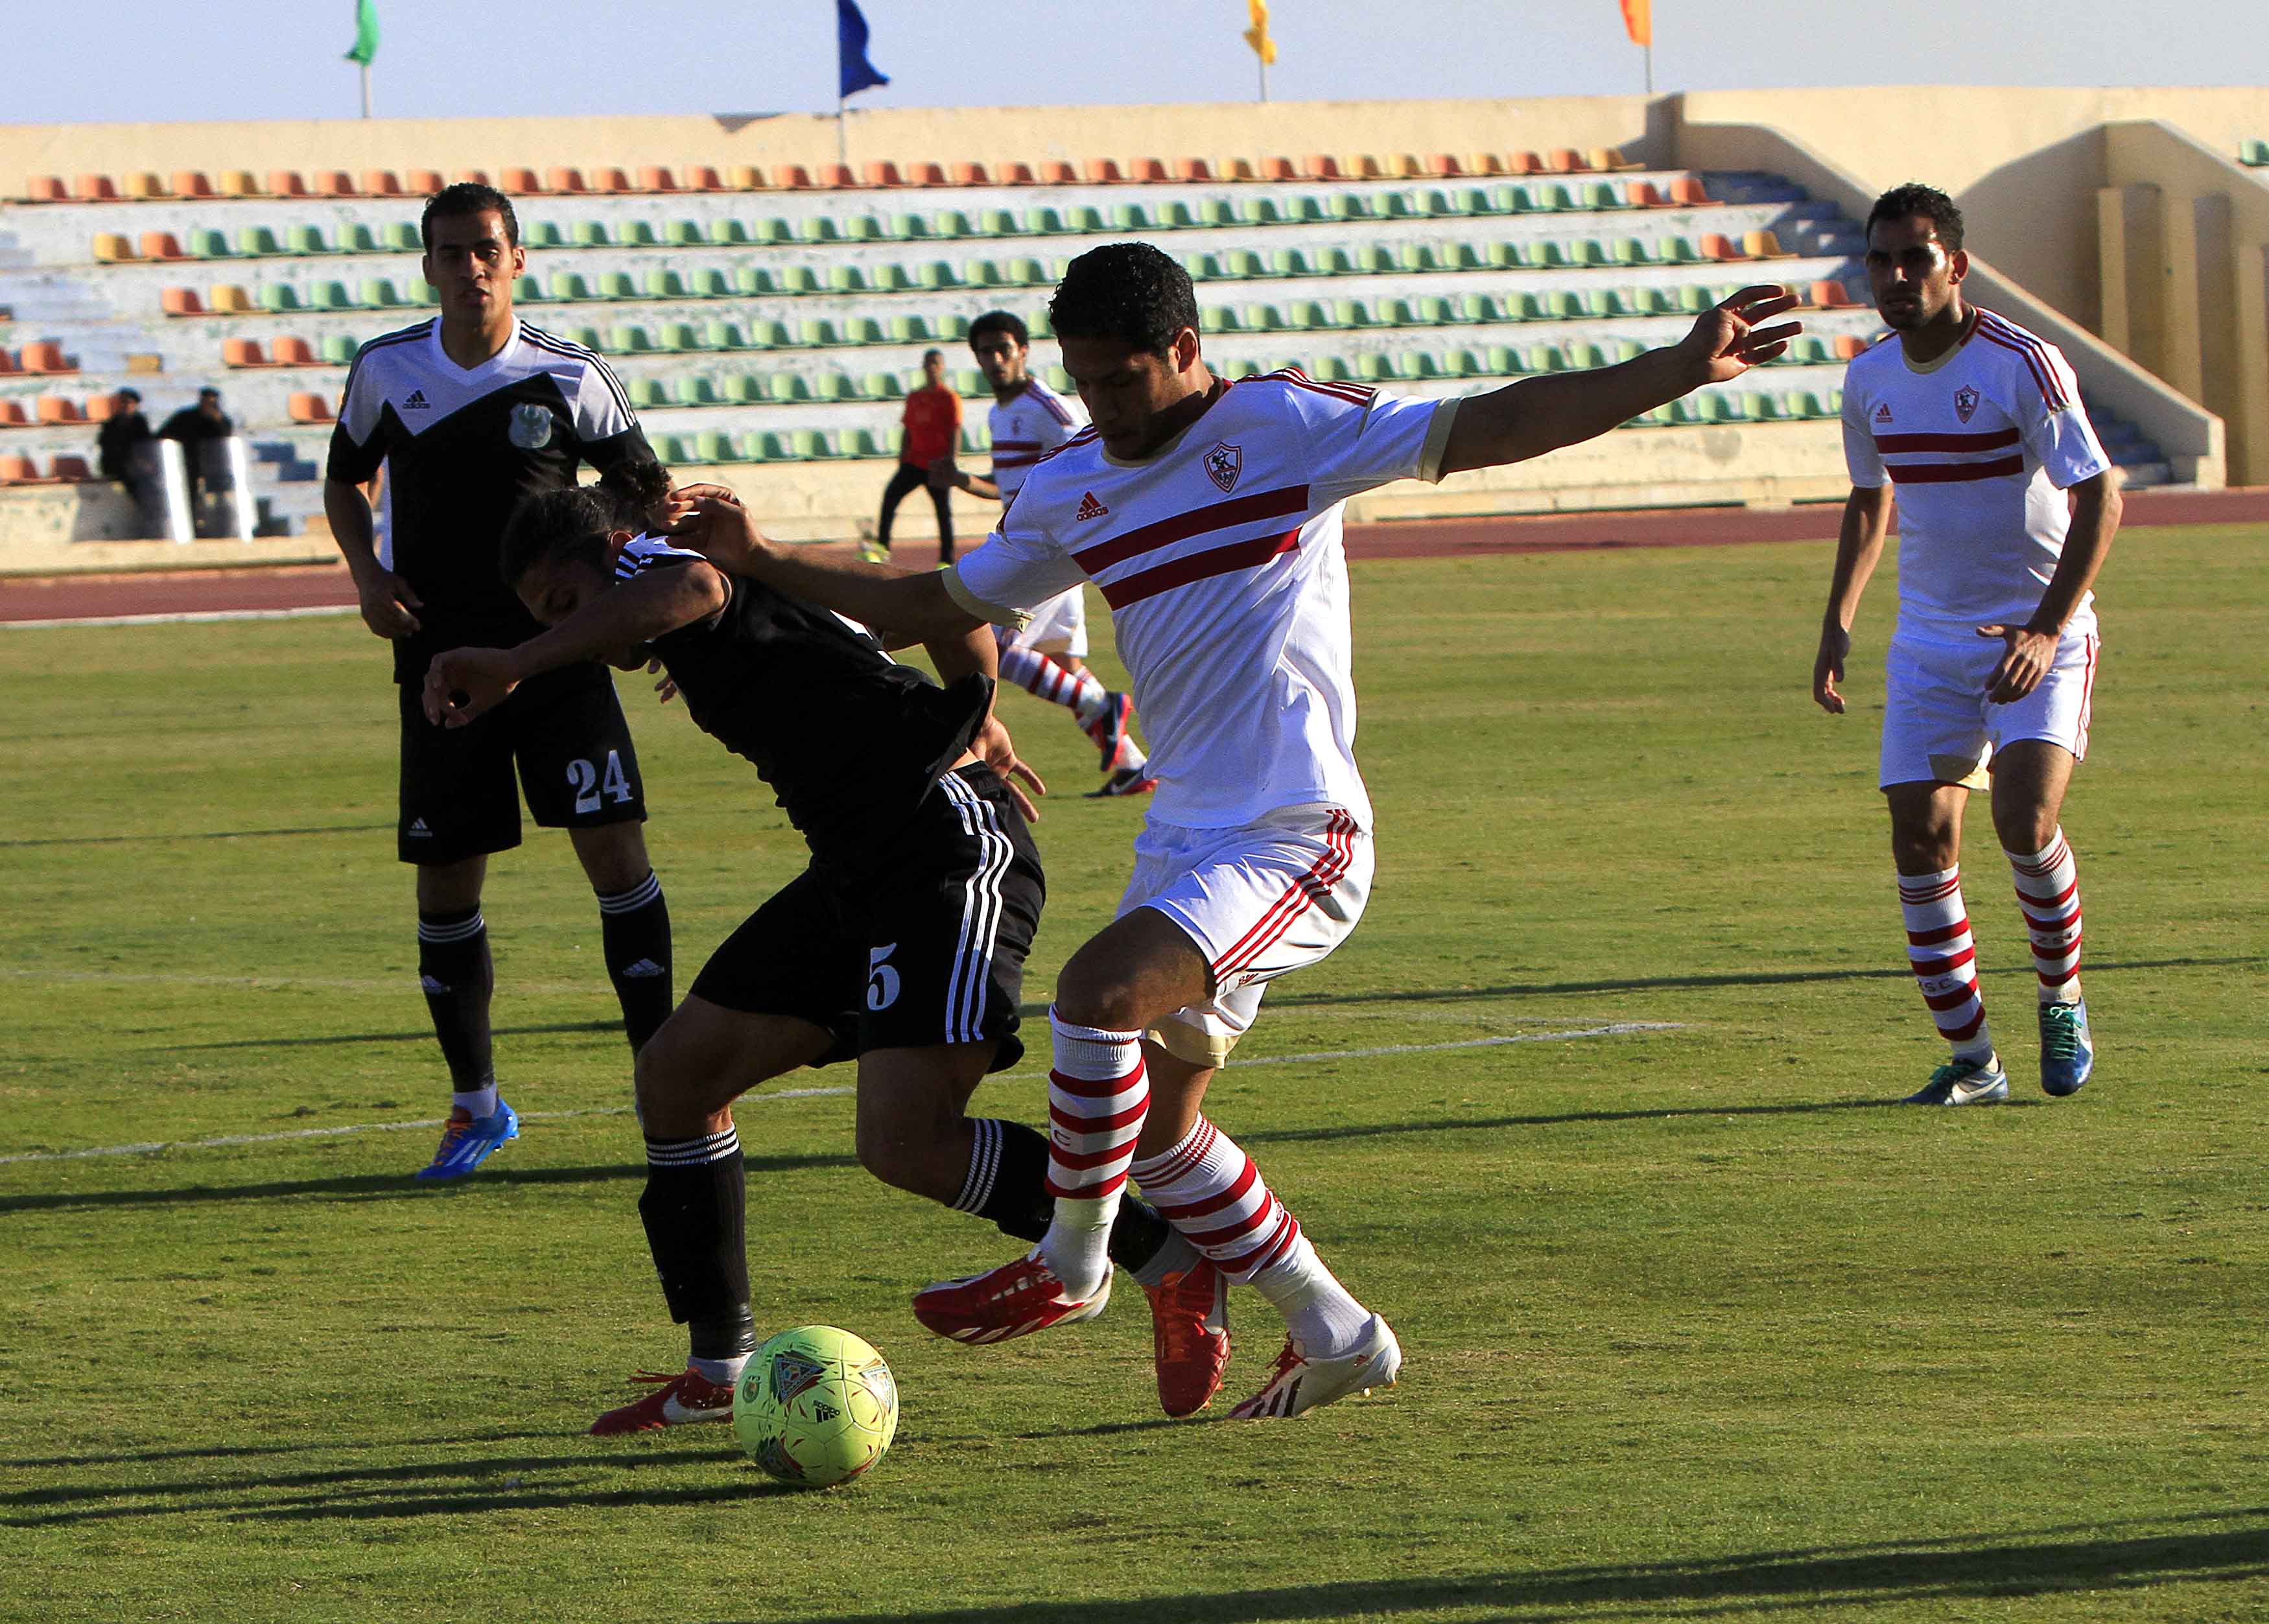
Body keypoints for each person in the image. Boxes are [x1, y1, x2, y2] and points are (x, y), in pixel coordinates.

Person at [670, 242, 1798, 1419]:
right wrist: (757, 562)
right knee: (1157, 1134)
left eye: (1121, 380)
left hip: (1296, 827)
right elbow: (928, 606)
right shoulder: (1069, 486)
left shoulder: (1287, 425)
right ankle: (1339, 1331)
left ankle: (1074, 1263)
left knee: (1099, 998)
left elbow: (1492, 423)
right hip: (1187, 841)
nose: (1102, 405)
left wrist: (1671, 368)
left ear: (1187, 352)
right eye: (1085, 381)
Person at [423, 464, 1232, 1428]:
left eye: (564, 603)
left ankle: (1170, 1263)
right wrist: (978, 701)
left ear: (610, 555)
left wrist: (518, 660)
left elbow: (686, 588)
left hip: (944, 850)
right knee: (678, 1078)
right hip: (856, 869)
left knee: (905, 1141)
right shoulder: (686, 588)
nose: (572, 635)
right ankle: (721, 1371)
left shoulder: (671, 566)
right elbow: (941, 603)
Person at [321, 182, 676, 1181]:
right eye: (450, 252)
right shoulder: (387, 370)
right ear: (427, 266)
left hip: (560, 660)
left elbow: (647, 495)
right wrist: (367, 571)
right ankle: (475, 1105)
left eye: (486, 250)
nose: (470, 268)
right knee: (447, 882)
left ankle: (666, 1088)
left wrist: (625, 594)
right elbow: (346, 478)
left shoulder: (570, 374)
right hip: (439, 665)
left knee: (614, 859)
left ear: (517, 259)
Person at [1814, 183, 2119, 1107]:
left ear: (1957, 264)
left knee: (2023, 824)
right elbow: (1872, 502)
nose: (1896, 276)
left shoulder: (2025, 363)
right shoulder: (1869, 379)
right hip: (1929, 645)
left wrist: (2046, 626)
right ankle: (1976, 1063)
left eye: (1915, 257)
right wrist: (1838, 625)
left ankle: (2061, 997)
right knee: (1919, 838)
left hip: (2039, 637)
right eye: (1881, 260)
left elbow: (2101, 497)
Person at [931, 309, 1155, 797]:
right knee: (1065, 668)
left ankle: (1107, 708)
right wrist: (962, 481)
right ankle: (1134, 767)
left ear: (1023, 351)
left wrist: (1090, 525)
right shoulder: (997, 412)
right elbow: (1011, 488)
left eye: (1002, 349)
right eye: (985, 351)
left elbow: (1093, 453)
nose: (994, 360)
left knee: (1002, 650)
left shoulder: (1046, 407)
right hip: (1035, 542)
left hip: (1050, 548)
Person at [871, 349, 961, 566]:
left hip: (937, 464)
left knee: (943, 513)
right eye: (928, 363)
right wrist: (903, 455)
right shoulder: (915, 397)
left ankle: (946, 560)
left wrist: (951, 459)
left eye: (936, 363)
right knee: (890, 499)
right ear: (924, 366)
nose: (932, 367)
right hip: (914, 462)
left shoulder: (949, 398)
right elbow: (908, 428)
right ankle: (882, 548)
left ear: (942, 368)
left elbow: (955, 430)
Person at [158, 386, 234, 521]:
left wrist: (217, 421)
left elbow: (225, 439)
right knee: (188, 495)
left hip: (213, 467)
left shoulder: (222, 420)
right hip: (188, 463)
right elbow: (163, 434)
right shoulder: (186, 417)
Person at [95, 388, 153, 517]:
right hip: (116, 465)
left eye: (130, 403)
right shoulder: (111, 424)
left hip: (136, 464)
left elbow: (146, 444)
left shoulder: (140, 422)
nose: (126, 406)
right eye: (124, 403)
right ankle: (146, 509)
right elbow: (107, 447)